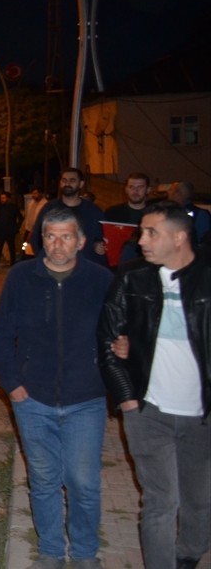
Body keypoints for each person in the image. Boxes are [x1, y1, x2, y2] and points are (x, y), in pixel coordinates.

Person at [0, 206, 114, 569]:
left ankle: (84, 553)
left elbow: (117, 329)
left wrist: (118, 357)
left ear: (81, 241)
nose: (58, 244)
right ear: (40, 240)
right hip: (33, 399)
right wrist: (12, 383)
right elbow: (2, 334)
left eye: (66, 237)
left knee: (83, 482)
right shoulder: (21, 277)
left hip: (86, 399)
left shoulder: (100, 280)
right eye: (50, 236)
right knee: (44, 480)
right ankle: (49, 551)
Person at [98, 201, 210, 569]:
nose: (140, 239)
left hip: (201, 417)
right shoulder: (132, 277)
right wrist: (127, 400)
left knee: (199, 500)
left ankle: (189, 553)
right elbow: (107, 341)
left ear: (179, 237)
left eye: (151, 232)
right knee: (161, 501)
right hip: (149, 412)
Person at [29, 167, 107, 264]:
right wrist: (44, 261)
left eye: (72, 180)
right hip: (55, 266)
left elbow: (102, 238)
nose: (67, 184)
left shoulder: (93, 211)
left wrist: (98, 245)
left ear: (81, 184)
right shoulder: (49, 208)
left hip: (85, 267)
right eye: (64, 180)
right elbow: (36, 236)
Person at [103, 172, 151, 265]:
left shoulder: (155, 214)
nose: (135, 191)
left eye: (140, 187)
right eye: (131, 187)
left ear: (148, 190)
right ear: (126, 189)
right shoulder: (112, 213)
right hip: (117, 265)